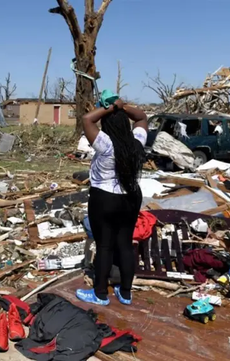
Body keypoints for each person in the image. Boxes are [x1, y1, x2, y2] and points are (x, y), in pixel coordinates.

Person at [76, 98, 148, 306]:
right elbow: (142, 117)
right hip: (131, 197)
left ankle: (100, 294)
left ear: (107, 125)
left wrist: (112, 107)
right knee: (125, 244)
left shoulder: (105, 144)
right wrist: (123, 107)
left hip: (105, 198)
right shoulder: (136, 141)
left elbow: (87, 119)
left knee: (105, 246)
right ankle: (125, 292)